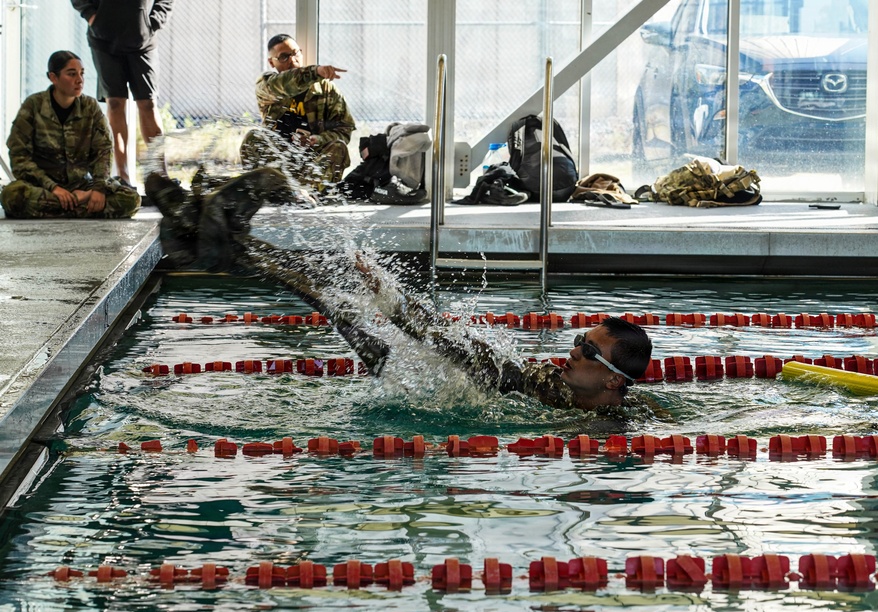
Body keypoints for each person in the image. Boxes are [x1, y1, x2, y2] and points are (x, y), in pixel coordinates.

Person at [144, 169, 654, 413]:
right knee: (341, 293)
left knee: (333, 301)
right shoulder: (558, 388)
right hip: (429, 374)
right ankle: (227, 243)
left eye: (587, 350)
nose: (572, 350)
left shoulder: (595, 426)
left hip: (424, 381)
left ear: (613, 382)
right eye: (579, 339)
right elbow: (462, 349)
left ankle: (226, 246)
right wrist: (389, 298)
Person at [0, 51, 141, 219]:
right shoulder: (33, 106)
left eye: (81, 73)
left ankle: (57, 208)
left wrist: (97, 189)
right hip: (43, 188)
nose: (80, 80)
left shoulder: (90, 107)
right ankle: (81, 206)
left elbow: (103, 152)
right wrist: (54, 188)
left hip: (80, 186)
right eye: (71, 74)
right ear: (53, 77)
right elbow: (19, 157)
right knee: (12, 196)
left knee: (130, 199)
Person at [71, 0, 172, 189]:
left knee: (147, 104)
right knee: (115, 104)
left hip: (142, 40)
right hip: (104, 39)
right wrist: (91, 15)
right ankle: (123, 178)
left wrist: (155, 20)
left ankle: (161, 179)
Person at [240, 34, 356, 197]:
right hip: (279, 163)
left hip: (312, 166)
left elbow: (344, 129)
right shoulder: (267, 85)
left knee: (339, 147)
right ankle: (276, 190)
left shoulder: (325, 89)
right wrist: (315, 71)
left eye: (296, 53)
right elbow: (287, 82)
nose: (292, 60)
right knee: (253, 137)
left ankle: (305, 193)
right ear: (272, 62)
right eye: (284, 57)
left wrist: (317, 140)